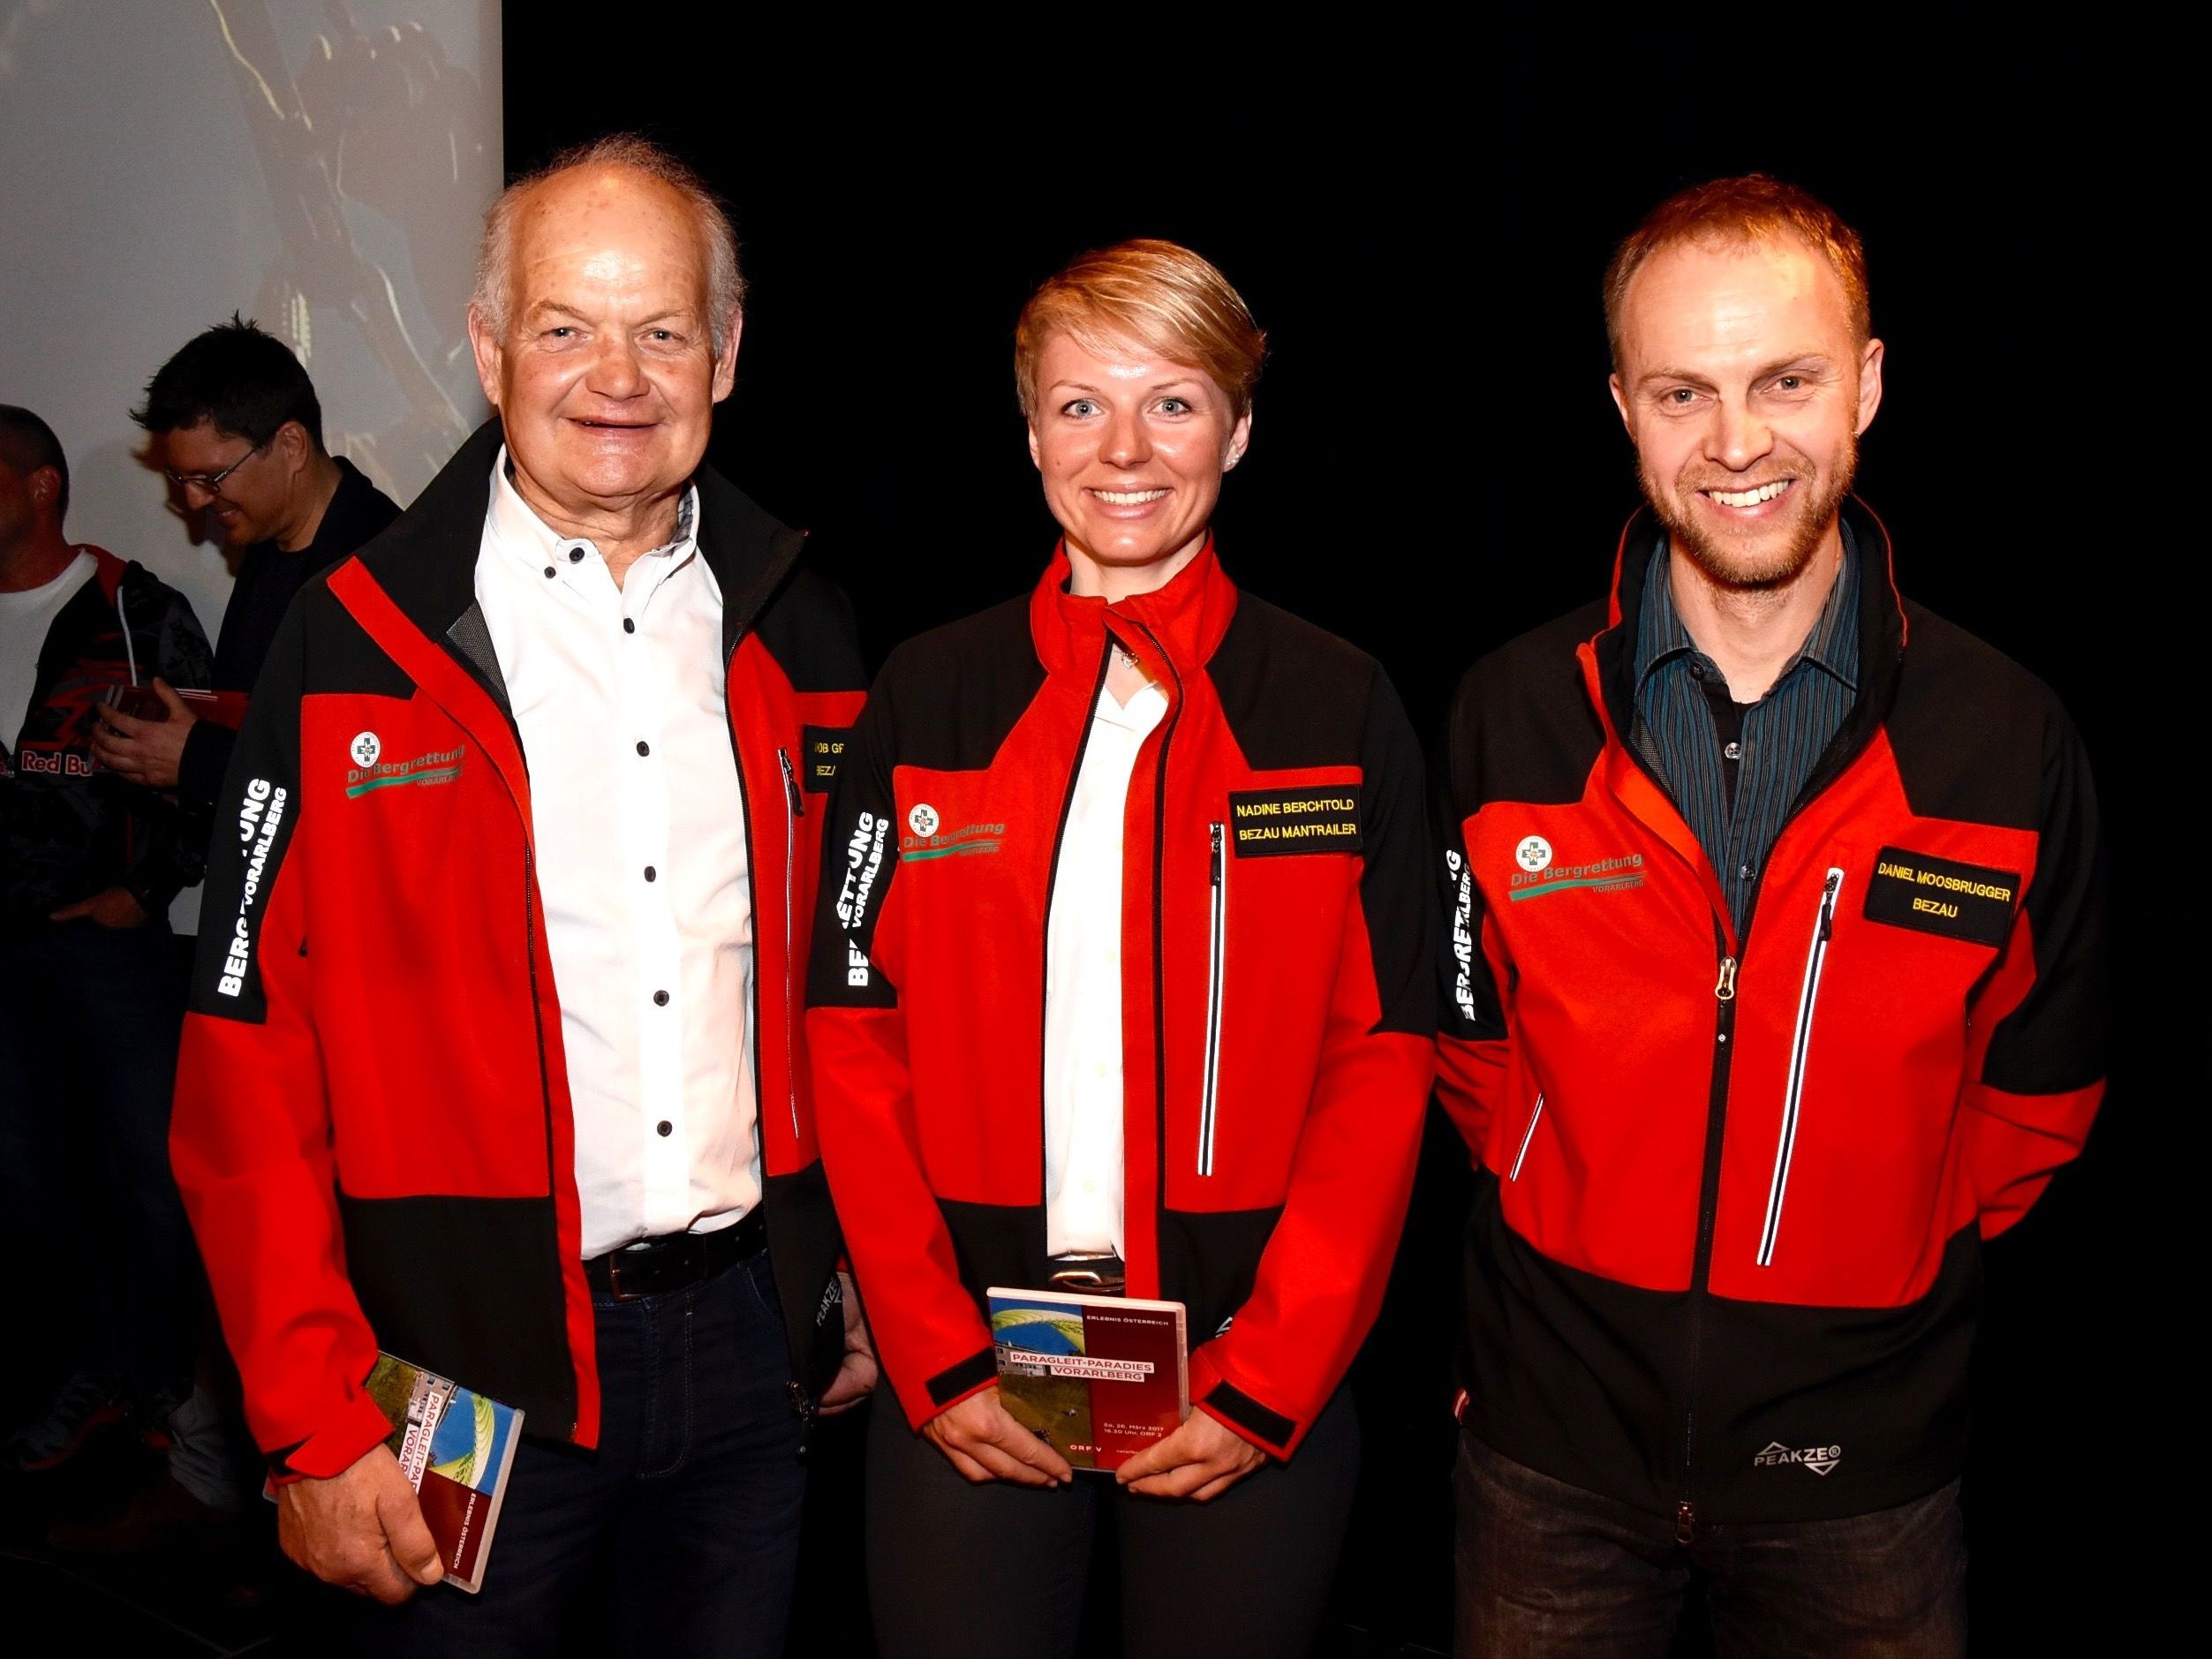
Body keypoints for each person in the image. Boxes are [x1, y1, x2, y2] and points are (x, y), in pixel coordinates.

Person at [168, 135, 873, 1657]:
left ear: (727, 354)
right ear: (490, 348)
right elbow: (244, 1045)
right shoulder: (353, 642)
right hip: (453, 1374)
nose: (615, 373)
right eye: (566, 324)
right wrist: (305, 1414)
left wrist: (862, 1276)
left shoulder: (804, 627)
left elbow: (850, 987)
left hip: (757, 1359)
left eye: (662, 328)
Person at [1434, 176, 2107, 1655]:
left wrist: (1863, 1284)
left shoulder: (2004, 733)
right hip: (1550, 1466)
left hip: (1863, 1480)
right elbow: (1476, 1060)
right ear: (1623, 406)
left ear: (1867, 380)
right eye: (1684, 390)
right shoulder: (1512, 712)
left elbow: (2040, 1097)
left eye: (1784, 380)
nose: (1736, 443)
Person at [808, 239, 1436, 1658]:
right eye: (1080, 405)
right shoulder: (929, 690)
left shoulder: (1336, 700)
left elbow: (1386, 1058)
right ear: (1029, 430)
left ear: (1240, 428)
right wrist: (929, 1347)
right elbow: (852, 1031)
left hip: (1241, 1371)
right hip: (973, 1362)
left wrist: (1267, 1372)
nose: (1124, 450)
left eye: (1174, 402)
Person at [0, 403, 214, 1470]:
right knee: (27, 1181)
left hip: (108, 952)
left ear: (40, 486)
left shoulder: (132, 610)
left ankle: (174, 1392)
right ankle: (78, 1375)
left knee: (149, 1174)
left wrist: (145, 889)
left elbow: (212, 763)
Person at [92, 317, 400, 811]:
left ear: (292, 445)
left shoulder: (384, 566)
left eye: (211, 477)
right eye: (180, 479)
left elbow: (373, 772)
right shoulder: (267, 544)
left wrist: (197, 762)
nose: (194, 501)